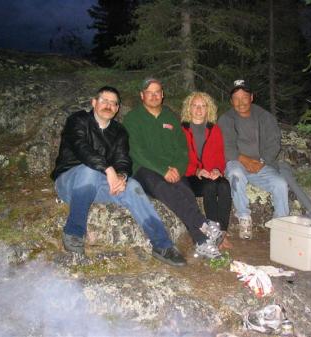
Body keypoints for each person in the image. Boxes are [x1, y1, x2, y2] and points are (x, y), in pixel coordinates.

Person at [50, 86, 186, 266]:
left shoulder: (119, 131)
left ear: (117, 108)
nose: (108, 106)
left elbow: (123, 160)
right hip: (69, 182)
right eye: (104, 101)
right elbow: (81, 148)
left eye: (113, 103)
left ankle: (162, 244)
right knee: (89, 171)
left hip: (101, 184)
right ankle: (74, 231)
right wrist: (108, 170)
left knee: (134, 186)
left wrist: (121, 176)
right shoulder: (78, 120)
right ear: (94, 102)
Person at [123, 78, 223, 259]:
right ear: (142, 95)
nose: (153, 96)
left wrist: (177, 168)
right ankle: (203, 224)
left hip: (171, 168)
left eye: (157, 92)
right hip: (143, 169)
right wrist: (163, 170)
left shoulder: (170, 117)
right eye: (149, 92)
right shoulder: (132, 118)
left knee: (185, 190)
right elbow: (136, 151)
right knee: (163, 187)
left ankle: (201, 242)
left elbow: (182, 149)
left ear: (162, 95)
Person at [218, 80, 289, 239]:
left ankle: (281, 225)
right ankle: (244, 217)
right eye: (236, 98)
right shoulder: (226, 119)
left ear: (251, 97)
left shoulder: (265, 117)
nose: (241, 102)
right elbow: (225, 146)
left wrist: (263, 161)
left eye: (244, 97)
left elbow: (274, 143)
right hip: (237, 162)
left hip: (261, 163)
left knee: (281, 184)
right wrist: (245, 160)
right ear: (231, 101)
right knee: (236, 174)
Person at [180, 92, 233, 248]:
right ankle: (213, 232)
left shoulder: (214, 129)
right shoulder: (181, 129)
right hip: (190, 175)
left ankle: (222, 232)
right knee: (210, 187)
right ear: (189, 108)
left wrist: (217, 169)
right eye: (195, 105)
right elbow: (179, 158)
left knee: (224, 185)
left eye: (203, 106)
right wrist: (196, 171)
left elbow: (219, 155)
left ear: (208, 109)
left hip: (210, 173)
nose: (199, 109)